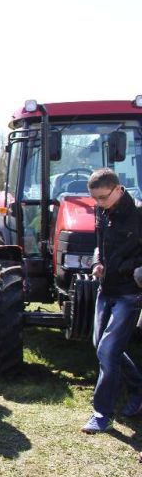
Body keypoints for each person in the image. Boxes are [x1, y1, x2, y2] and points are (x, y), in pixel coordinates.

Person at [81, 168, 142, 433]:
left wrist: (128, 267)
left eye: (103, 198)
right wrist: (98, 262)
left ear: (118, 188)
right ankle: (139, 389)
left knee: (108, 350)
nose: (99, 204)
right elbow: (100, 245)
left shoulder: (139, 215)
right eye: (95, 199)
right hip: (106, 289)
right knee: (102, 346)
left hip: (130, 292)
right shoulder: (102, 212)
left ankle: (102, 413)